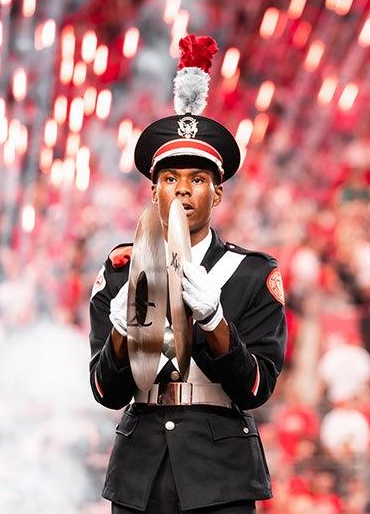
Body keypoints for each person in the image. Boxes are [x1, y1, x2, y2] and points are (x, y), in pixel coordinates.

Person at [88, 34, 287, 513]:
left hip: (220, 477)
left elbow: (256, 387)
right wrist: (122, 333)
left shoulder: (251, 274)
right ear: (153, 192)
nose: (183, 191)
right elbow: (104, 390)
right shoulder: (119, 270)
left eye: (198, 179)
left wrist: (216, 322)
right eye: (170, 179)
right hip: (142, 474)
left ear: (217, 195)